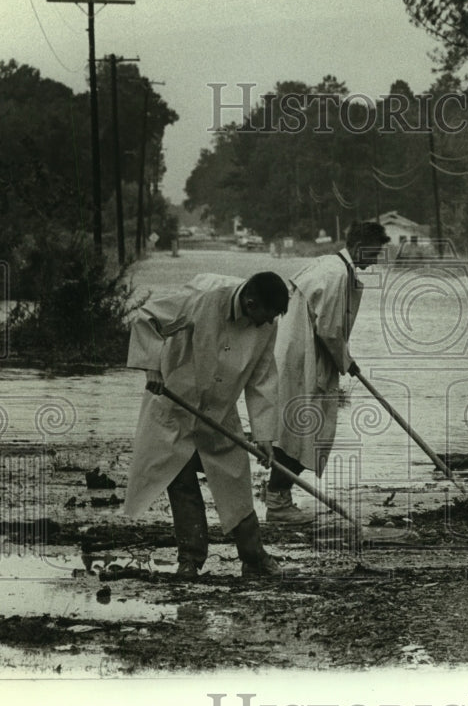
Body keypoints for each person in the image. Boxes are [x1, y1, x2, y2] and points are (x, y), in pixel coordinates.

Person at [123, 271, 289, 581]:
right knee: (181, 481)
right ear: (251, 303)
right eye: (262, 318)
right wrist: (152, 368)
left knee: (235, 479)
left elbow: (263, 378)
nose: (265, 326)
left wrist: (265, 435)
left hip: (219, 413)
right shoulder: (203, 297)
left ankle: (253, 557)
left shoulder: (267, 324)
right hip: (176, 406)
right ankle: (190, 560)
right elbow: (148, 319)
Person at [264, 220, 390, 519]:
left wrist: (343, 358)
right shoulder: (336, 275)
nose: (372, 263)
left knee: (298, 430)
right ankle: (277, 502)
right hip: (303, 360)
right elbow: (330, 330)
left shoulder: (330, 265)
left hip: (299, 356)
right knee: (301, 431)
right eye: (372, 255)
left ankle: (276, 495)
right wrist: (346, 362)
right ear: (358, 248)